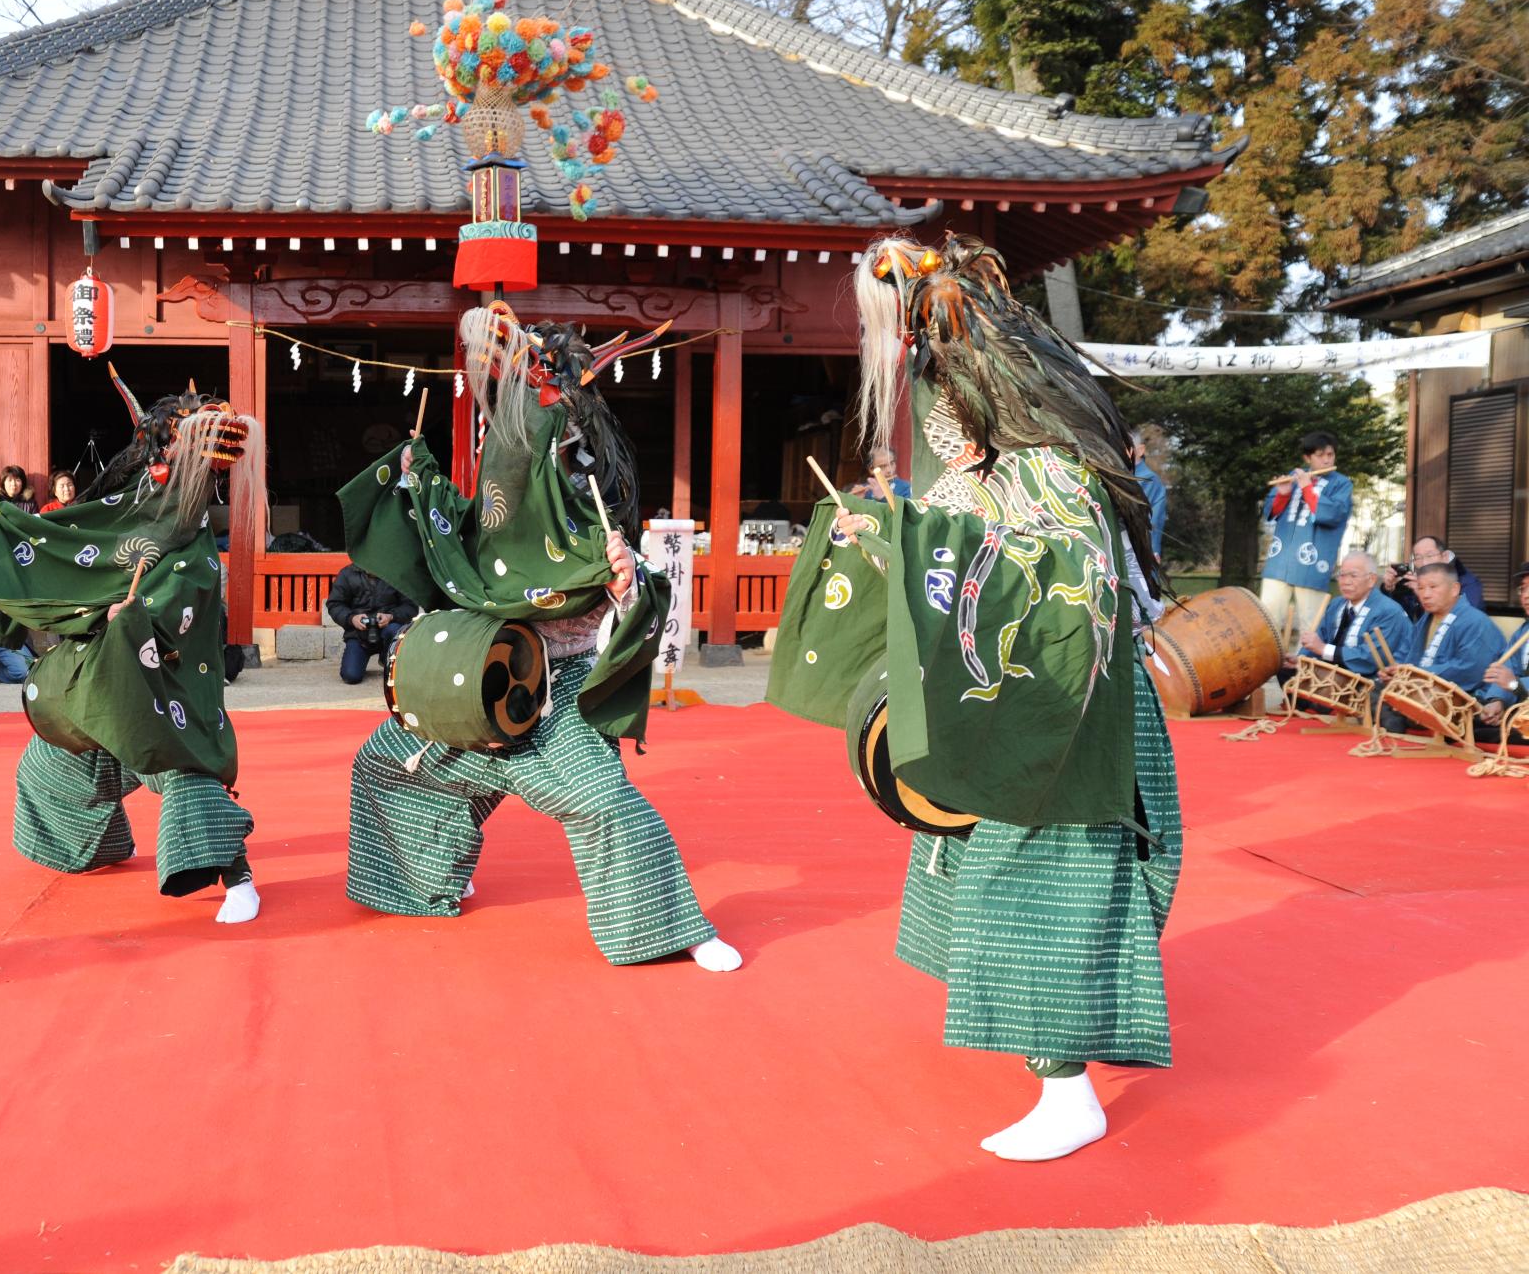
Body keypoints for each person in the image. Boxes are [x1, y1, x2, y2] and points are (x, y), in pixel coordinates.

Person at [770, 234, 1178, 1162]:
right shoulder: (1006, 450)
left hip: (1069, 699)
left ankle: (1069, 1088)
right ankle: (1053, 1047)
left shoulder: (1041, 461)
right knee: (977, 856)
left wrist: (916, 534)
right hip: (1032, 686)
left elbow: (1038, 571)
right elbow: (964, 547)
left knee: (1036, 875)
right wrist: (895, 533)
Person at [339, 303, 739, 973]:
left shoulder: (590, 501)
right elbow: (458, 538)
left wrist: (624, 581)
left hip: (559, 688)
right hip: (478, 671)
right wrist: (419, 481)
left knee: (602, 801)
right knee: (382, 761)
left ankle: (670, 928)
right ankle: (421, 880)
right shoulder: (500, 506)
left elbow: (637, 600)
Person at [0, 376, 266, 921]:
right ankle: (95, 844)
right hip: (100, 665)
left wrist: (136, 619)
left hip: (161, 680)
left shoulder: (192, 544)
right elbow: (63, 542)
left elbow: (184, 600)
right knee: (52, 757)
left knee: (182, 767)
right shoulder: (127, 508)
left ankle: (238, 878)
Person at [1376, 563, 1507, 734]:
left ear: (1454, 589)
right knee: (1375, 688)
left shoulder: (1476, 622)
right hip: (1421, 689)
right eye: (1421, 588)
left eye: (1433, 587)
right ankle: (1393, 733)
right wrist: (1393, 671)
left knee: (1390, 703)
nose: (1425, 594)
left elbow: (1469, 670)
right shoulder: (1425, 620)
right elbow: (1405, 653)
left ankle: (1394, 735)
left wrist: (1414, 674)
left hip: (1460, 697)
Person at [1259, 430, 1351, 652]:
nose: (1327, 460)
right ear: (1307, 458)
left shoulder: (1342, 484)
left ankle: (1307, 667)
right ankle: (1266, 666)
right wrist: (1282, 493)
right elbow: (1270, 513)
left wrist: (1307, 488)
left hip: (1313, 561)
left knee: (1312, 624)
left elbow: (1333, 514)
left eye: (1330, 454)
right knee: (1267, 621)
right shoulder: (1294, 476)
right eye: (1320, 455)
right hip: (1280, 561)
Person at [1300, 552, 1412, 679]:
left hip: (1370, 681)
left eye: (1353, 575)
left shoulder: (1389, 611)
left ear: (1371, 580)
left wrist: (1324, 649)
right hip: (1331, 675)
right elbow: (1318, 639)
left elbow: (1371, 658)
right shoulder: (1336, 604)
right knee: (1288, 673)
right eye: (1342, 575)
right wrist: (1301, 660)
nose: (1346, 582)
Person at [325, 562, 418, 684]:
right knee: (351, 676)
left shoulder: (396, 573)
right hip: (359, 634)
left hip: (388, 630)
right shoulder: (347, 574)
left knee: (394, 629)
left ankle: (387, 657)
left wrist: (391, 616)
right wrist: (351, 618)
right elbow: (335, 604)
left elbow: (411, 606)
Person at [1385, 534, 1486, 620]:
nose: (1424, 563)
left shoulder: (1467, 582)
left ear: (1445, 557)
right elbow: (1396, 616)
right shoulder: (1414, 580)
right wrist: (1390, 588)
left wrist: (1422, 593)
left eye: (1430, 556)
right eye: (1418, 557)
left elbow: (1465, 620)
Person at [1478, 564, 1529, 731]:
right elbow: (1508, 669)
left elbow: (1513, 682)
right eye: (1523, 589)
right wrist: (1498, 700)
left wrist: (1514, 685)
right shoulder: (1522, 632)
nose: (1526, 595)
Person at [1131, 430, 1169, 559]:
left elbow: (1152, 521)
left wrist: (1153, 551)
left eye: (1126, 447)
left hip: (1140, 552)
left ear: (1140, 450)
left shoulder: (1148, 479)